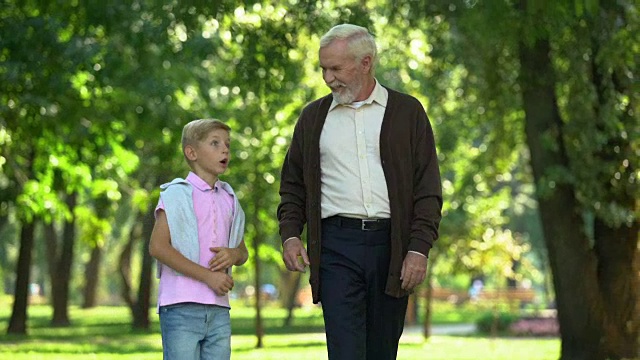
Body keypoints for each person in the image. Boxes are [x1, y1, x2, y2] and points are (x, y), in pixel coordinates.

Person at [277, 24, 442, 359]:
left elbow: (427, 188)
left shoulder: (407, 113)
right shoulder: (312, 118)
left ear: (366, 63)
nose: (328, 77)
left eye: (336, 68)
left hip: (391, 246)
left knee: (382, 351)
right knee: (345, 351)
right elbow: (293, 186)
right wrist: (291, 234)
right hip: (337, 246)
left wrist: (419, 248)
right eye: (323, 68)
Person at [149, 118, 249, 360]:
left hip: (219, 308)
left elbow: (242, 252)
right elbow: (158, 247)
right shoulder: (176, 194)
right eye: (215, 143)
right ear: (191, 152)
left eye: (227, 144)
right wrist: (208, 277)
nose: (225, 149)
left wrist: (232, 254)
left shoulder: (229, 198)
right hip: (181, 306)